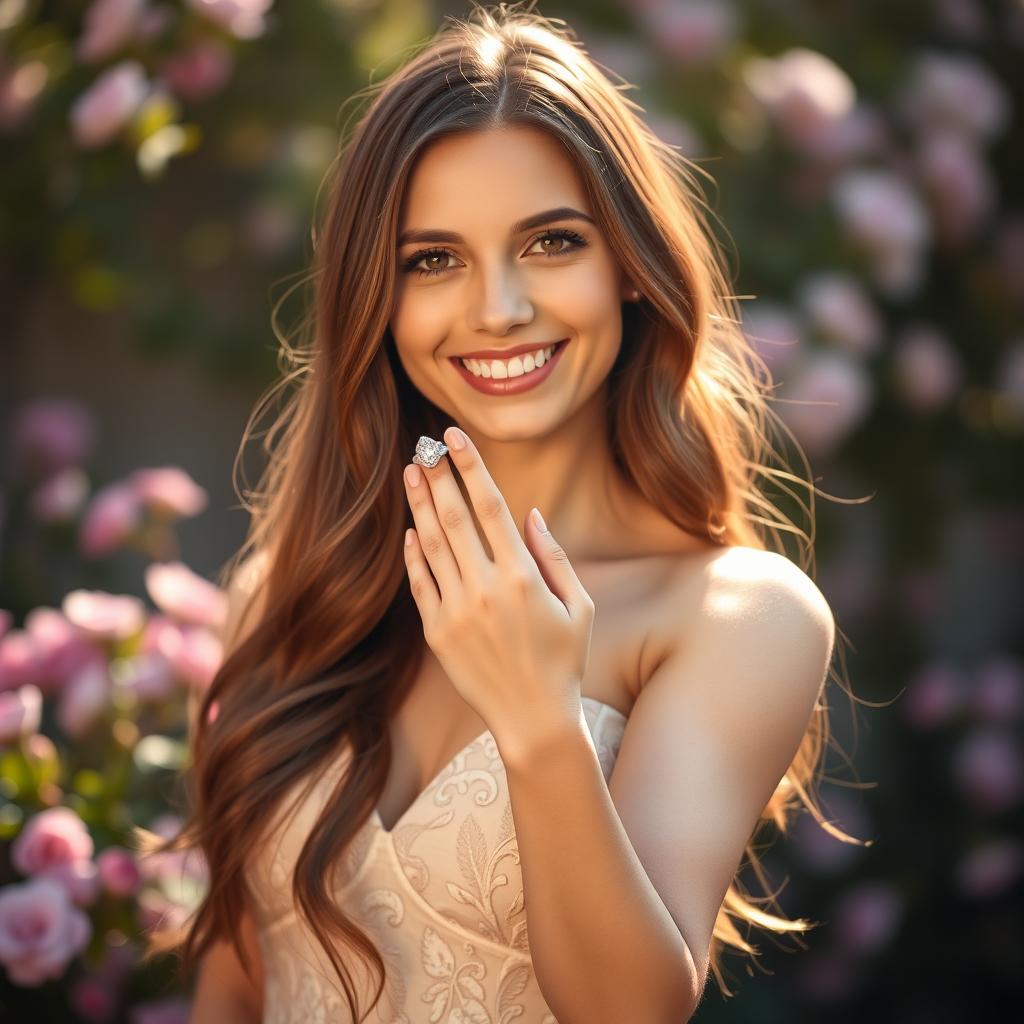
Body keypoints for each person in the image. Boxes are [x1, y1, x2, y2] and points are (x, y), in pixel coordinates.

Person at [139, 4, 866, 1022]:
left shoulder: (735, 617)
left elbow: (632, 1010)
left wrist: (537, 720)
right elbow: (234, 984)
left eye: (552, 242)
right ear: (376, 300)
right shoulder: (284, 596)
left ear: (629, 267)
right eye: (431, 259)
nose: (498, 309)